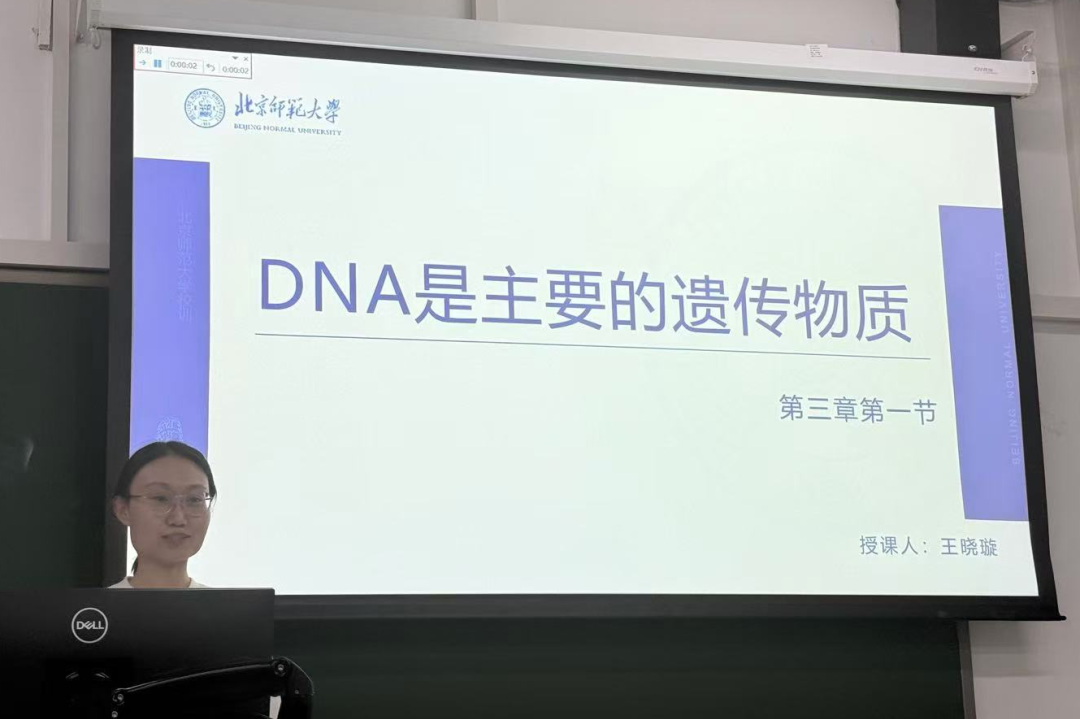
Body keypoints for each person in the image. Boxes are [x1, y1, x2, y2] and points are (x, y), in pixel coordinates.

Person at [109, 441, 216, 589]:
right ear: (123, 510)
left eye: (194, 500)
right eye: (160, 498)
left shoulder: (226, 604)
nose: (178, 519)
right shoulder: (95, 604)